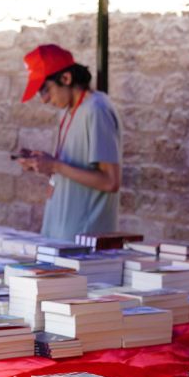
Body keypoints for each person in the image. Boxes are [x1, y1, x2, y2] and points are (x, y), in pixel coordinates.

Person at [17, 44, 121, 241]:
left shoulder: (96, 109)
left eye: (45, 90)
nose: (44, 100)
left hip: (84, 246)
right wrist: (43, 164)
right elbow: (71, 169)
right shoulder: (67, 110)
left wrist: (56, 165)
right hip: (58, 239)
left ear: (66, 78)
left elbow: (110, 181)